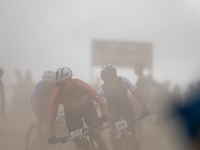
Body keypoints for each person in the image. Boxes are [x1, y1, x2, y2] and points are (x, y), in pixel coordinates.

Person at [48, 67, 109, 150]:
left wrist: (104, 115)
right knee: (79, 142)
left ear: (70, 80)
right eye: (58, 85)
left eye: (63, 84)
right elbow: (52, 118)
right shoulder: (56, 95)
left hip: (87, 107)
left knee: (95, 133)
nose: (61, 87)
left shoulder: (80, 85)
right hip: (71, 114)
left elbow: (100, 100)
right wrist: (52, 135)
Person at [99, 64, 149, 150]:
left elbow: (139, 94)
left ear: (116, 77)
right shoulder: (102, 89)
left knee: (133, 134)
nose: (109, 84)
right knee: (112, 133)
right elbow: (95, 104)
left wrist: (145, 110)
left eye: (111, 80)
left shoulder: (123, 81)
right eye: (106, 81)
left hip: (127, 109)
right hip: (112, 111)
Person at [31, 70, 55, 150]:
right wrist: (39, 114)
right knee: (41, 120)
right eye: (48, 83)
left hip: (49, 104)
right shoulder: (39, 87)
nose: (50, 85)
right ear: (44, 81)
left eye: (51, 83)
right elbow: (35, 103)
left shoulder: (56, 87)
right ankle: (41, 143)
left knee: (52, 121)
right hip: (38, 104)